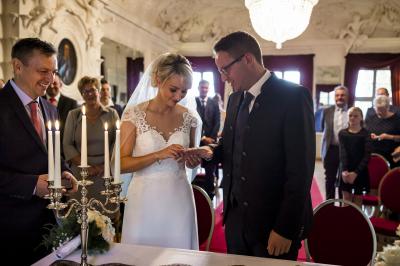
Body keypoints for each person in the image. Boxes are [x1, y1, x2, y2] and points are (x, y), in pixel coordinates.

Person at [194, 31, 315, 260]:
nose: (223, 78)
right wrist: (209, 151)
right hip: (235, 220)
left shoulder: (293, 96)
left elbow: (301, 171)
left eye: (225, 69)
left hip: (273, 225)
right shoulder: (233, 100)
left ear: (247, 59)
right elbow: (230, 146)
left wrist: (285, 228)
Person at [0, 38, 77, 265]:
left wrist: (65, 172)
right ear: (17, 66)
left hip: (49, 226)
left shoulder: (51, 110)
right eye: (42, 71)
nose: (49, 79)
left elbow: (50, 155)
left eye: (53, 72)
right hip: (9, 228)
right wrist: (32, 185)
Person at [120, 53, 206, 250]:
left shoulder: (190, 118)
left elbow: (190, 160)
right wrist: (158, 154)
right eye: (173, 90)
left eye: (184, 92)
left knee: (179, 254)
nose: (178, 97)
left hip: (179, 197)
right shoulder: (134, 115)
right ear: (158, 80)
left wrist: (193, 160)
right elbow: (120, 164)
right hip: (144, 199)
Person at [63, 76, 119, 208]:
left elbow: (117, 143)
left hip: (105, 172)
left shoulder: (112, 114)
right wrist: (86, 167)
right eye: (85, 91)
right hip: (80, 173)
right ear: (81, 94)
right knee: (79, 214)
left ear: (99, 91)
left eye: (92, 90)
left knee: (105, 213)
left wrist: (103, 167)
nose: (89, 94)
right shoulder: (74, 115)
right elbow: (67, 144)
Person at [338, 107, 372, 207]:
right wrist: (344, 170)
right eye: (350, 115)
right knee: (346, 200)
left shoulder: (366, 133)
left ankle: (356, 222)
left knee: (358, 201)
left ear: (361, 118)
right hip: (346, 169)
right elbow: (342, 153)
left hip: (360, 170)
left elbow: (367, 155)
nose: (352, 118)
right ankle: (345, 222)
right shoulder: (342, 133)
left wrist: (356, 173)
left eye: (356, 116)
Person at [321, 85, 349, 199]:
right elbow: (324, 130)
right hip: (331, 149)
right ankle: (329, 205)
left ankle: (343, 205)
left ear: (347, 96)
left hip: (347, 151)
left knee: (344, 180)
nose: (340, 97)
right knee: (330, 179)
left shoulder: (352, 110)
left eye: (342, 95)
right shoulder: (327, 111)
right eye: (337, 95)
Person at [194, 79, 220, 199]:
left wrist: (210, 138)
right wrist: (202, 137)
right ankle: (194, 192)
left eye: (206, 88)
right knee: (192, 166)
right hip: (195, 140)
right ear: (198, 88)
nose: (204, 89)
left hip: (210, 141)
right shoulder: (193, 102)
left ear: (208, 89)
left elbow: (217, 122)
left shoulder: (213, 103)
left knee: (210, 168)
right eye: (202, 87)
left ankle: (209, 193)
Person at [44, 72, 78, 152]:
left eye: (55, 83)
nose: (51, 86)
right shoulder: (38, 101)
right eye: (49, 83)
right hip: (43, 150)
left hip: (64, 151)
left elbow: (73, 130)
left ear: (61, 84)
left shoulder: (71, 103)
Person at [365, 95, 400, 167]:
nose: (379, 113)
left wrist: (390, 137)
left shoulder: (397, 120)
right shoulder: (371, 118)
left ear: (388, 108)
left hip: (391, 156)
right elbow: (365, 133)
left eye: (382, 110)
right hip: (373, 155)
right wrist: (370, 135)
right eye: (377, 109)